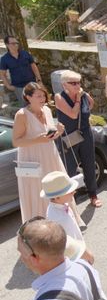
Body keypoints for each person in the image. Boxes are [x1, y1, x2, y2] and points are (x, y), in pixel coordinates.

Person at [12, 82, 70, 222]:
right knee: (38, 191)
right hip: (33, 158)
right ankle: (43, 227)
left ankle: (61, 221)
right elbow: (16, 142)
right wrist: (38, 140)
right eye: (38, 96)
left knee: (56, 187)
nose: (42, 98)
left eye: (43, 95)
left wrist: (59, 132)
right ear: (28, 97)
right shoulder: (22, 115)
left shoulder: (47, 110)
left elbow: (49, 137)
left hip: (50, 155)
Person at [54, 70, 102, 208]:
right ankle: (69, 199)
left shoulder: (83, 95)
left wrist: (84, 95)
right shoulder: (59, 97)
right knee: (69, 167)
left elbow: (91, 105)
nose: (77, 85)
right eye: (73, 83)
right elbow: (73, 114)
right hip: (69, 135)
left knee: (89, 163)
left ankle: (93, 194)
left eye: (78, 82)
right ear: (64, 85)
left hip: (85, 133)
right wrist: (77, 99)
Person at [42, 171, 94, 264]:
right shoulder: (59, 219)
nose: (74, 192)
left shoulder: (58, 205)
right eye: (69, 192)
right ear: (57, 197)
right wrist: (86, 255)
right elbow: (69, 244)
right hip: (75, 257)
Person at [0, 35, 42, 103]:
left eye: (17, 43)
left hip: (32, 84)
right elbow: (2, 74)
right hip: (18, 87)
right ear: (7, 45)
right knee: (25, 107)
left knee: (37, 103)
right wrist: (8, 86)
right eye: (13, 43)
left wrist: (39, 80)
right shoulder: (4, 59)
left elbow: (34, 67)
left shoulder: (25, 53)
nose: (16, 45)